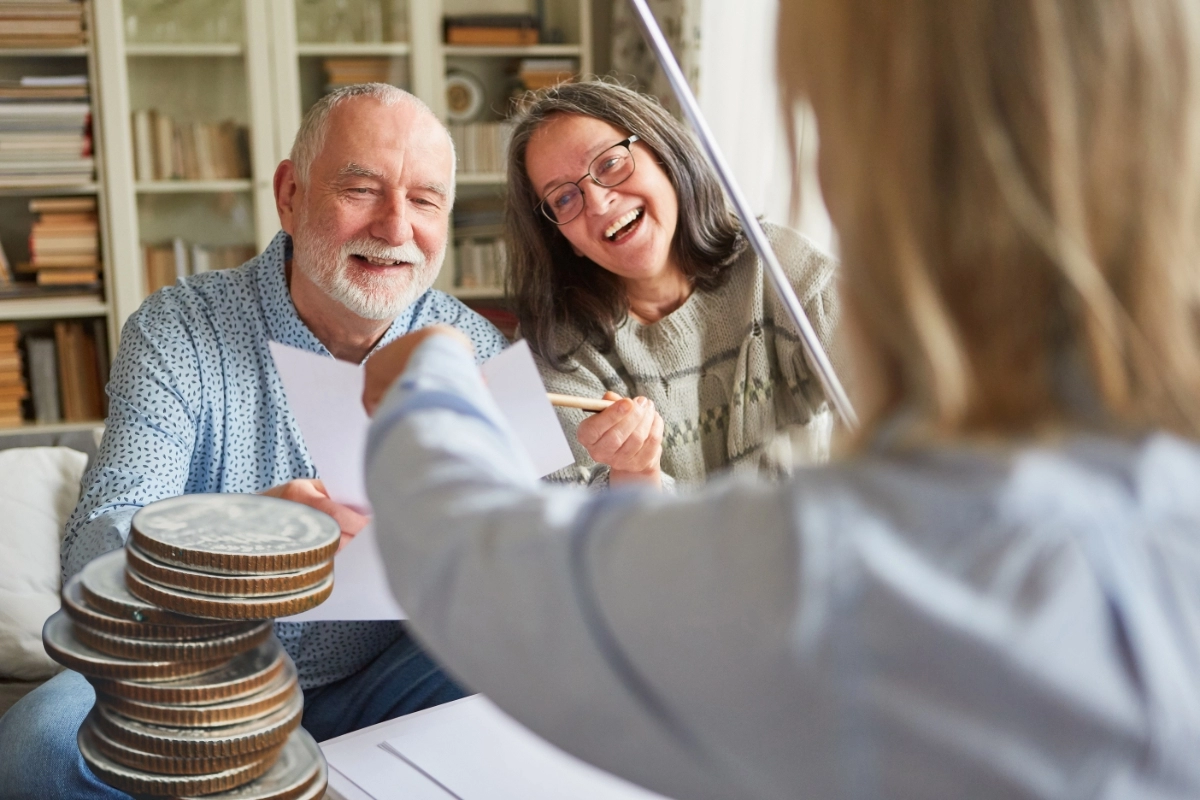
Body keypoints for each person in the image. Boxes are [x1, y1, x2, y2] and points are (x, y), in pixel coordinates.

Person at [359, 1, 1200, 798]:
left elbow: (483, 575)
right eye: (564, 201)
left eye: (823, 130)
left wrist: (425, 388)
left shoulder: (848, 567)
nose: (599, 202)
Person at [0, 84, 508, 799]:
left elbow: (526, 566)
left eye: (425, 201)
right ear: (290, 194)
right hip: (189, 683)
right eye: (362, 189)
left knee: (531, 665)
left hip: (383, 681)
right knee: (36, 749)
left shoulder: (472, 346)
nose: (397, 228)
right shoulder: (178, 328)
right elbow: (95, 546)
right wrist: (238, 543)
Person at [506, 81, 839, 490]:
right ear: (561, 238)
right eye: (563, 199)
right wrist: (635, 473)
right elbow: (563, 535)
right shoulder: (538, 351)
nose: (597, 202)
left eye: (610, 164)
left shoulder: (781, 265)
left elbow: (904, 403)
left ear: (664, 156)